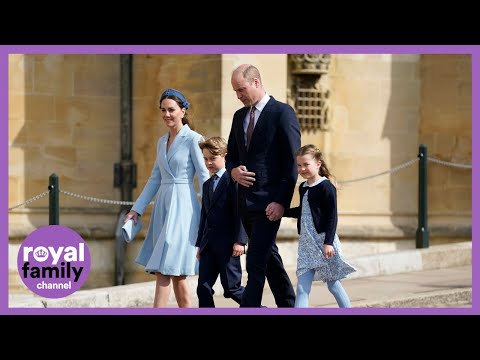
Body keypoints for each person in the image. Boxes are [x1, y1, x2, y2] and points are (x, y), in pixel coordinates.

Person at [124, 88, 210, 308]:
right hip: (163, 205)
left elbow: (203, 177)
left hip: (184, 208)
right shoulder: (161, 141)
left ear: (183, 110)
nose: (166, 114)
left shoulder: (193, 139)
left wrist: (210, 211)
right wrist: (137, 209)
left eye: (171, 109)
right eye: (163, 110)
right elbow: (155, 178)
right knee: (171, 270)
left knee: (170, 268)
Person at [226, 64, 300, 307]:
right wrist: (234, 171)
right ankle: (290, 305)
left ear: (256, 82)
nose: (238, 96)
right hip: (244, 203)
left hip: (269, 205)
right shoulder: (239, 117)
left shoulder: (282, 113)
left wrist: (281, 201)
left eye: (241, 89)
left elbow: (292, 161)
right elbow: (231, 157)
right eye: (235, 91)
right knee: (270, 259)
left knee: (255, 262)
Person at [284, 144, 357, 308]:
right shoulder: (303, 187)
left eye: (306, 164)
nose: (302, 169)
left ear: (318, 164)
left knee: (333, 285)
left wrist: (328, 242)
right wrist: (281, 211)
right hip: (306, 245)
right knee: (302, 289)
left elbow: (332, 217)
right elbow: (303, 211)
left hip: (324, 243)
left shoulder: (326, 187)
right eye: (299, 165)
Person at [196, 136, 246, 307]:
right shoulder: (207, 184)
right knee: (203, 287)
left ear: (225, 156)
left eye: (213, 158)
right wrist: (199, 245)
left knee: (232, 288)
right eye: (205, 159)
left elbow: (239, 213)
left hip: (228, 246)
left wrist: (240, 240)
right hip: (208, 246)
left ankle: (258, 309)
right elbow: (204, 216)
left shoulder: (233, 181)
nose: (208, 163)